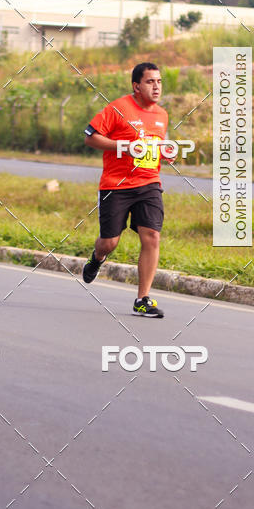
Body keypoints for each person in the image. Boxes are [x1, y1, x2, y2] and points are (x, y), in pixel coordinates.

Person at [82, 62, 168, 317]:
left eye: (159, 81)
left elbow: (155, 148)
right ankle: (97, 257)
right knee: (109, 241)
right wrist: (124, 146)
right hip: (116, 184)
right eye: (150, 82)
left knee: (152, 236)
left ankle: (142, 299)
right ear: (136, 86)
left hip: (149, 182)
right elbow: (90, 137)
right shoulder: (118, 108)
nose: (156, 86)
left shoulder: (162, 115)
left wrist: (166, 153)